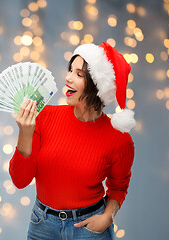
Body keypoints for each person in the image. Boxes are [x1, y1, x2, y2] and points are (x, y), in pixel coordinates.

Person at [9, 42, 136, 240]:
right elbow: (20, 180)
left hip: (90, 229)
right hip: (42, 225)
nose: (67, 78)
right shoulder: (45, 116)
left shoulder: (119, 139)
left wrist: (107, 218)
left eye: (79, 74)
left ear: (97, 86)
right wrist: (25, 133)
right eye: (70, 70)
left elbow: (119, 186)